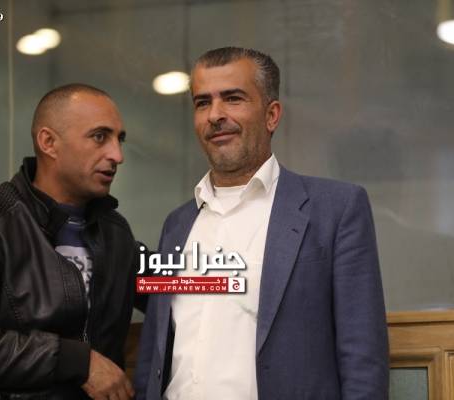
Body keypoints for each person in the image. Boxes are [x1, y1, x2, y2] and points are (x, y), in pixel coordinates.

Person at [134, 47, 389, 399]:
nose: (215, 115)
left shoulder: (336, 209)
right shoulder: (177, 225)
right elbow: (152, 355)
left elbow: (363, 358)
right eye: (203, 103)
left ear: (271, 115)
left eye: (233, 99)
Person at [0, 84, 142, 400]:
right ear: (48, 142)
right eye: (100, 137)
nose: (117, 156)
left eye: (119, 139)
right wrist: (78, 362)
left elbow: (167, 284)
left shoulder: (115, 232)